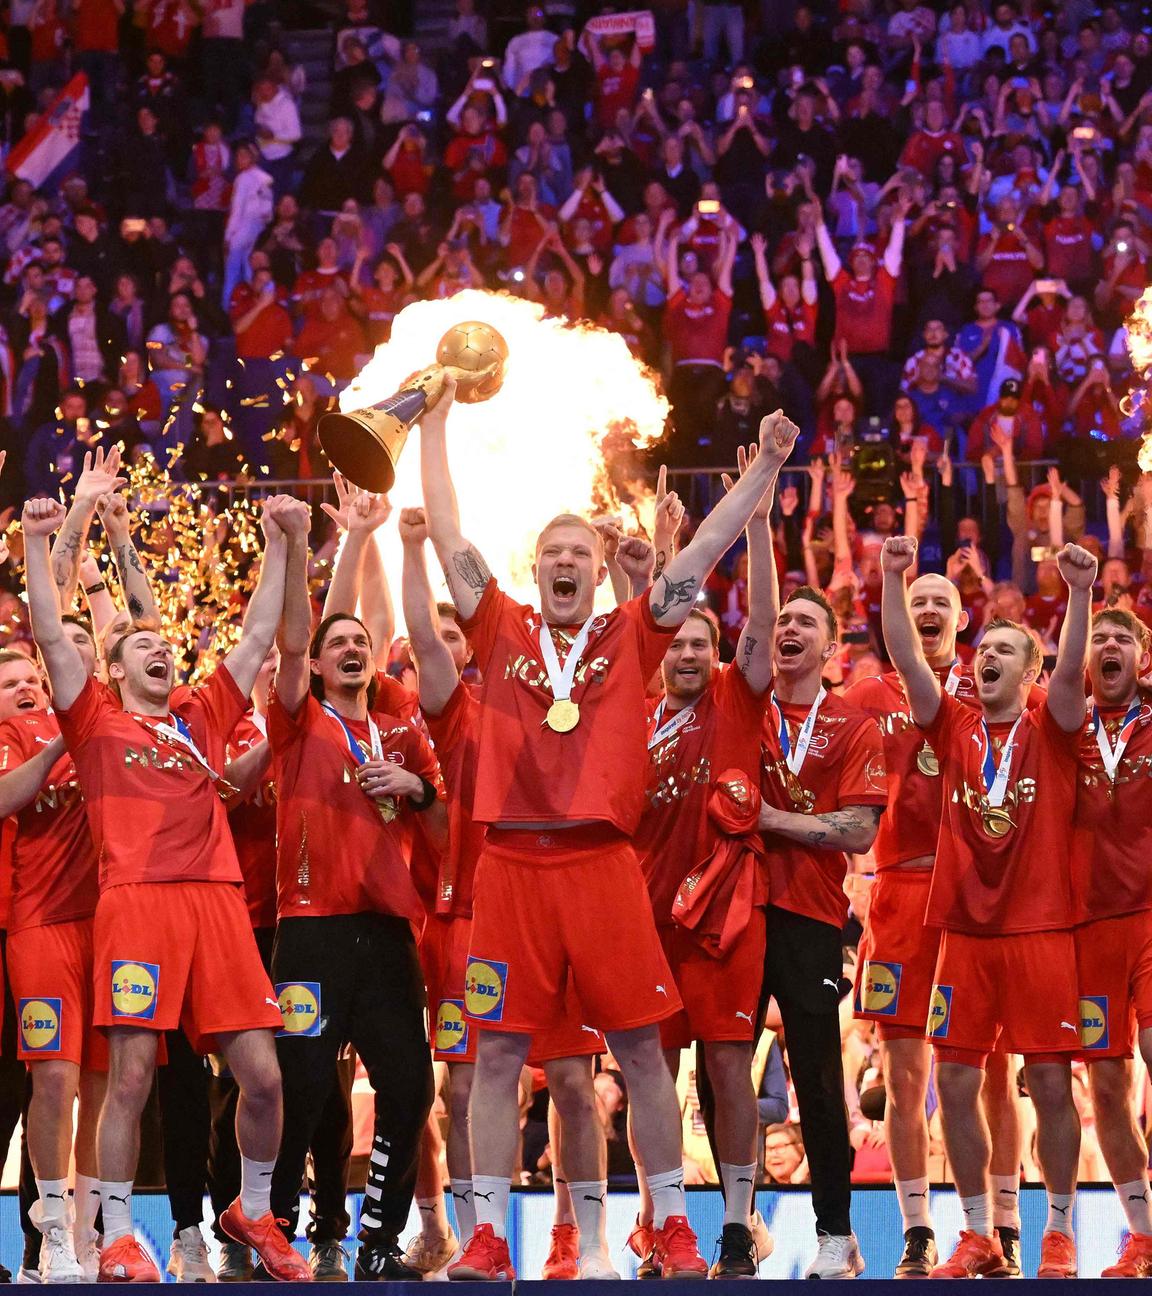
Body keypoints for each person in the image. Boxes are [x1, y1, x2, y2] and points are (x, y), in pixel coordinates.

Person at [420, 382, 799, 1282]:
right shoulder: (499, 621)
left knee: (636, 1049)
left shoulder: (632, 632)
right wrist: (433, 427)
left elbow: (705, 549)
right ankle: (483, 1234)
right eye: (550, 552)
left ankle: (670, 1223)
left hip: (602, 864)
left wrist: (769, 471)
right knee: (497, 1052)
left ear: (597, 570)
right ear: (536, 564)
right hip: (509, 864)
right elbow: (445, 535)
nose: (562, 563)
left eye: (577, 553)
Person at [23, 489, 313, 1284]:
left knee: (263, 1076)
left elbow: (258, 633)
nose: (159, 649)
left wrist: (284, 539)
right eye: (140, 644)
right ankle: (116, 1233)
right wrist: (40, 541)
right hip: (137, 904)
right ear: (112, 669)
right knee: (133, 1075)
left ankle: (253, 1208)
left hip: (218, 902)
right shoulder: (94, 720)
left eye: (164, 643)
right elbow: (50, 631)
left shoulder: (201, 715)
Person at [398, 506, 614, 1280]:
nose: (462, 648)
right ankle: (478, 1233)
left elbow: (618, 641)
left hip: (566, 899)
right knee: (472, 1083)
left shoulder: (572, 690)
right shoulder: (460, 713)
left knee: (569, 1081)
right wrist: (414, 548)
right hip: (478, 917)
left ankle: (578, 1239)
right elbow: (425, 637)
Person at [880, 533, 1096, 1279]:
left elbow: (1072, 668)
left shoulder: (1055, 725)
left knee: (1046, 1082)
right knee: (958, 1083)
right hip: (965, 932)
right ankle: (977, 1233)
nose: (987, 657)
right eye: (986, 649)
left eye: (1006, 650)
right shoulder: (953, 723)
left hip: (1039, 929)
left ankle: (1060, 1230)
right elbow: (908, 657)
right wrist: (890, 575)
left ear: (1030, 671)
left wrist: (1077, 593)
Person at [268, 487, 443, 1279]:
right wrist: (339, 542)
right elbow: (304, 637)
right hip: (310, 929)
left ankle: (377, 1240)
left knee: (409, 1088)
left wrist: (418, 789)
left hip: (386, 932)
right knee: (301, 1095)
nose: (347, 646)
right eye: (334, 642)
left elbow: (440, 815)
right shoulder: (298, 716)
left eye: (359, 641)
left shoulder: (398, 725)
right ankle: (274, 1232)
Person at [846, 573, 1031, 1277]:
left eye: (940, 602)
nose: (926, 609)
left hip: (975, 898)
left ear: (961, 620)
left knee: (991, 1069)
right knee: (902, 1072)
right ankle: (919, 1228)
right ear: (901, 615)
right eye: (915, 600)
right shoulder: (867, 695)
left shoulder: (987, 691)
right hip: (896, 895)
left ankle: (1002, 1224)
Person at [633, 449, 785, 1278]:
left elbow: (760, 617)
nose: (688, 652)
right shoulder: (635, 716)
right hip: (646, 920)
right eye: (678, 642)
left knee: (728, 1065)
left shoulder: (736, 696)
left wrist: (756, 516)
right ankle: (663, 1221)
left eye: (703, 643)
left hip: (726, 922)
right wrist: (660, 559)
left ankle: (733, 1222)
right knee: (650, 1075)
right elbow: (648, 617)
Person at [755, 573, 888, 1278]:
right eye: (782, 619)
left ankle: (835, 1231)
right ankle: (736, 1224)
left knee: (816, 1076)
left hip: (809, 917)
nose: (791, 628)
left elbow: (860, 827)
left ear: (831, 648)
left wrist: (775, 821)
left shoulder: (852, 726)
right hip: (735, 912)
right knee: (721, 1074)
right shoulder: (740, 708)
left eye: (807, 622)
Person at [1069, 609, 1152, 1277]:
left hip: (1151, 922)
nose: (1110, 646)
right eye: (1099, 637)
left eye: (1123, 637)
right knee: (1105, 1090)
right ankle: (1142, 1232)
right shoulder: (1062, 728)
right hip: (1087, 930)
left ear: (1142, 659)